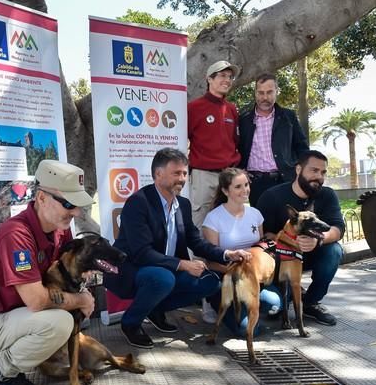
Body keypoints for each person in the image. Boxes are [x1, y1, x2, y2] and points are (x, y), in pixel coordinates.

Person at [0, 160, 95, 385]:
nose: (76, 213)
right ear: (41, 198)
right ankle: (1, 370)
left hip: (23, 317)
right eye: (69, 204)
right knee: (61, 321)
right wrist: (82, 299)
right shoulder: (16, 233)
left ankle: (23, 359)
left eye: (79, 206)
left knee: (64, 319)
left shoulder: (61, 228)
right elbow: (37, 300)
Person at [104, 148, 251, 349]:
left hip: (166, 268)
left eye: (184, 173)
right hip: (133, 269)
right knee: (163, 278)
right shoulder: (138, 202)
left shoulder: (182, 204)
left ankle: (154, 310)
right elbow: (141, 252)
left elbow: (196, 241)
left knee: (210, 282)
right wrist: (183, 264)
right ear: (158, 174)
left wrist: (227, 254)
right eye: (176, 173)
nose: (182, 178)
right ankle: (130, 323)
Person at [257, 150, 345, 326]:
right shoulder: (272, 196)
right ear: (298, 169)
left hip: (312, 253)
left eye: (323, 172)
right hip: (280, 259)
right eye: (314, 170)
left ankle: (311, 302)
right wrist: (291, 242)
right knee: (274, 306)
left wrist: (319, 239)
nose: (319, 176)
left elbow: (338, 228)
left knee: (334, 251)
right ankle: (285, 298)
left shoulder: (327, 195)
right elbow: (263, 234)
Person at [200, 168, 282, 332]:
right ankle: (215, 304)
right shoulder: (213, 218)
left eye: (246, 185)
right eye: (238, 187)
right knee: (247, 330)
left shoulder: (256, 214)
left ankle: (251, 308)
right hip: (227, 279)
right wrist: (239, 272)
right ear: (225, 190)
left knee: (275, 304)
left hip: (253, 277)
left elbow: (259, 248)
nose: (245, 190)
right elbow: (210, 262)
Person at [238, 73, 309, 207]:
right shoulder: (244, 119)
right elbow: (236, 147)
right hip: (256, 183)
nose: (265, 97)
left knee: (288, 223)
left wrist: (301, 172)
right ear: (255, 93)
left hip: (285, 180)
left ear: (277, 91)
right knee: (261, 224)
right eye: (261, 93)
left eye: (269, 92)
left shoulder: (288, 117)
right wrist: (240, 170)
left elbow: (302, 147)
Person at [187, 61, 242, 228]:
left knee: (228, 223)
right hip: (203, 175)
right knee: (199, 222)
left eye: (230, 76)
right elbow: (182, 141)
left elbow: (235, 141)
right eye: (222, 75)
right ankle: (197, 256)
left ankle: (224, 255)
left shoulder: (232, 109)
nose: (227, 80)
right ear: (209, 79)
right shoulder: (194, 107)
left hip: (229, 176)